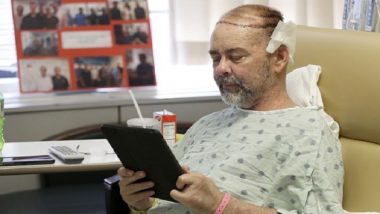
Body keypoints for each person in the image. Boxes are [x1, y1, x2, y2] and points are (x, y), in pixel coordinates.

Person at [117, 4, 344, 214]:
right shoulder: (207, 124)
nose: (221, 69)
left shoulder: (308, 130)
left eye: (236, 57)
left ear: (279, 58)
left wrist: (222, 206)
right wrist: (140, 202)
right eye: (216, 58)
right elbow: (165, 198)